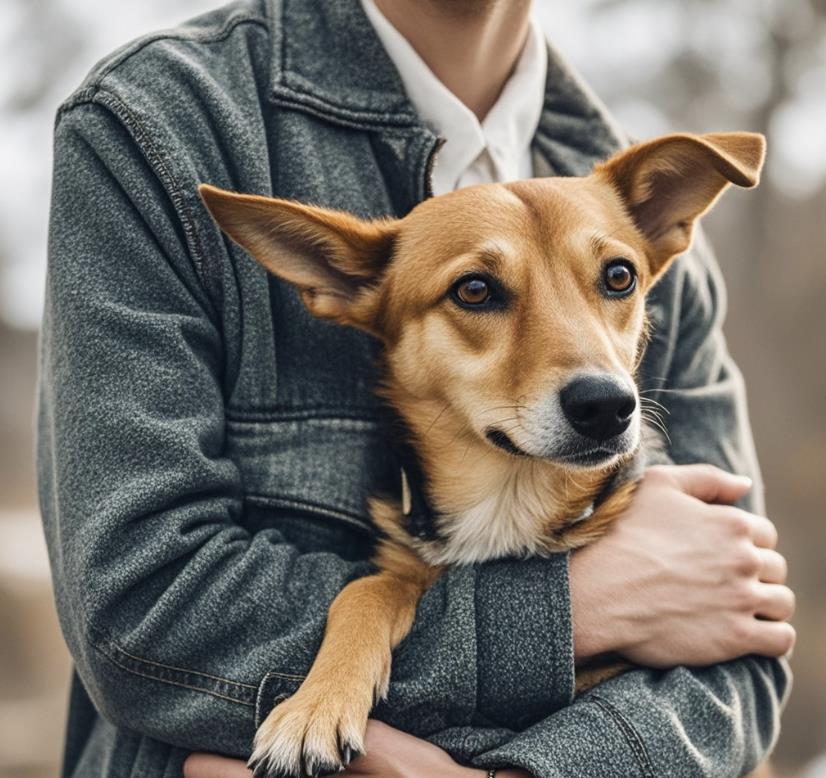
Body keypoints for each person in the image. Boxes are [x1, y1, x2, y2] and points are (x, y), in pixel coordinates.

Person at [39, 1, 795, 776]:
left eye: (613, 280)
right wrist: (575, 609)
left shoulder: (635, 203)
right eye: (478, 293)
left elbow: (744, 659)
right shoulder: (157, 122)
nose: (595, 377)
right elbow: (144, 614)